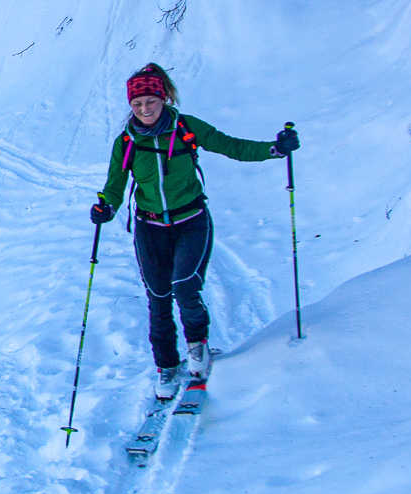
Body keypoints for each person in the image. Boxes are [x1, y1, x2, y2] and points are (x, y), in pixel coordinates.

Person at [89, 64, 297, 401]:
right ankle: (166, 366)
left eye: (150, 102)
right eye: (137, 104)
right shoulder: (126, 142)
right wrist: (106, 207)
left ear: (163, 97)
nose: (144, 109)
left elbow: (232, 146)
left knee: (185, 287)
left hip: (191, 220)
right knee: (158, 299)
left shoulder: (186, 128)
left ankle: (197, 347)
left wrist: (275, 149)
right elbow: (114, 186)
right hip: (150, 226)